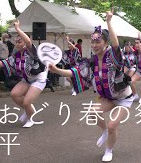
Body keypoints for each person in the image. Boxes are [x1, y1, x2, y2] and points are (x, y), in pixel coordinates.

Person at [49, 8, 133, 162]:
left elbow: (116, 45)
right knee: (93, 113)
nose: (94, 45)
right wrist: (56, 70)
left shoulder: (113, 57)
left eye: (98, 41)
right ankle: (105, 132)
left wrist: (109, 22)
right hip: (108, 97)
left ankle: (109, 149)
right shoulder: (91, 61)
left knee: (113, 124)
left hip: (123, 97)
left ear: (105, 43)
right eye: (92, 42)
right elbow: (76, 72)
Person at [0, 20, 46, 128]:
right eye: (16, 42)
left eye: (20, 41)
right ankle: (28, 110)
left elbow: (29, 42)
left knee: (26, 101)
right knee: (14, 94)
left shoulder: (31, 51)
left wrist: (17, 29)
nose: (17, 43)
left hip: (38, 79)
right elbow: (2, 64)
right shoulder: (15, 56)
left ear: (25, 42)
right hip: (27, 79)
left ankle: (30, 118)